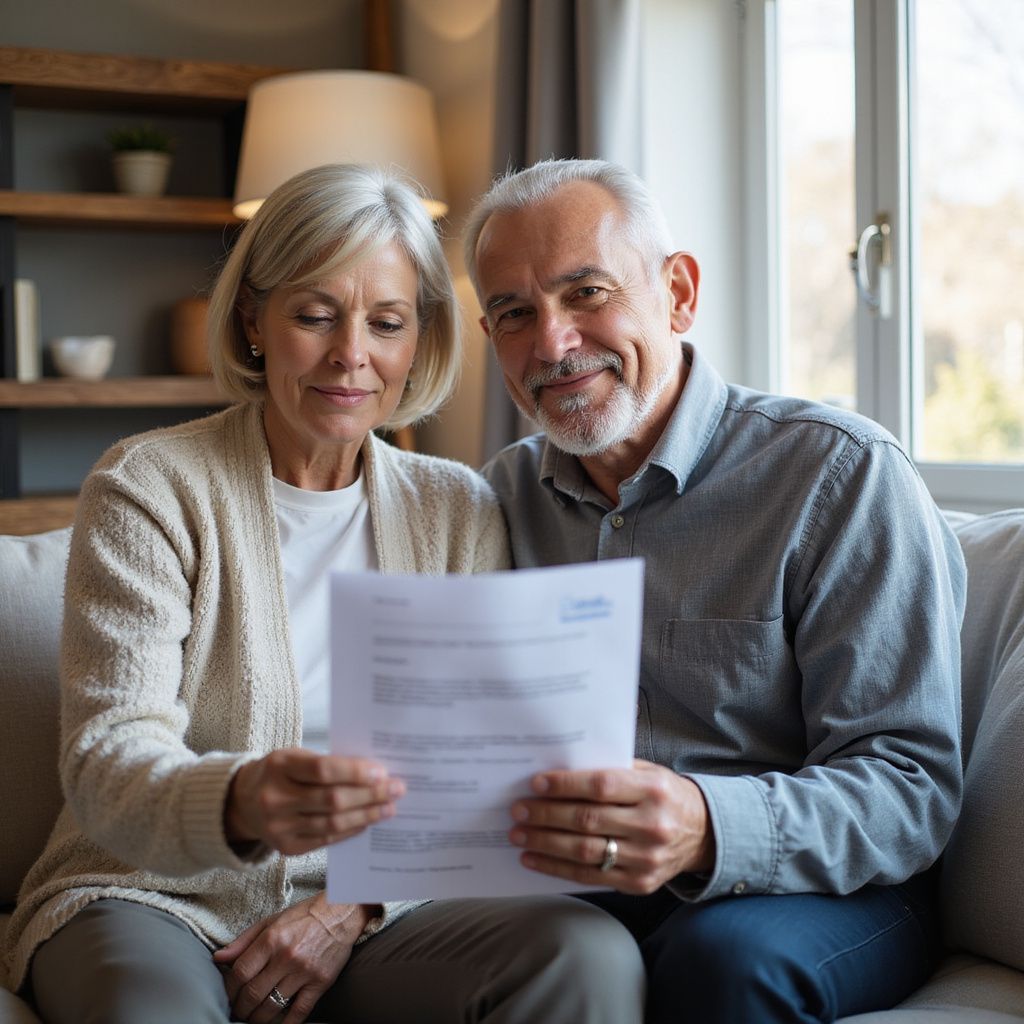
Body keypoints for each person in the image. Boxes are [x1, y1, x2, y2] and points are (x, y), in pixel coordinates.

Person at [3, 164, 645, 1024]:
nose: (352, 355)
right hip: (150, 892)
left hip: (374, 914)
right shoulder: (150, 486)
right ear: (253, 321)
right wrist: (243, 798)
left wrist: (353, 907)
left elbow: (465, 779)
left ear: (418, 339)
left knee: (586, 952)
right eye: (314, 315)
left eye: (386, 322)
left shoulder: (458, 506)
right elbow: (107, 763)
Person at [463, 158, 967, 1024]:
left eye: (586, 293)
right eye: (515, 313)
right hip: (580, 880)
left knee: (721, 963)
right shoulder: (495, 500)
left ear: (679, 293)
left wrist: (707, 822)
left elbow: (909, 786)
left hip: (825, 884)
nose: (551, 342)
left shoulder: (837, 475)